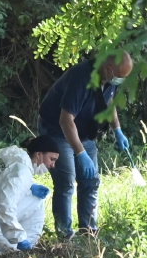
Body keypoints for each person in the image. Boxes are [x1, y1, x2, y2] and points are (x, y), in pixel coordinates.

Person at [38, 51, 133, 239]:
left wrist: (117, 130)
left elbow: (109, 101)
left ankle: (89, 231)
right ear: (108, 69)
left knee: (90, 181)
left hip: (83, 130)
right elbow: (65, 121)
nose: (121, 81)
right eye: (120, 77)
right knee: (66, 182)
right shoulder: (80, 79)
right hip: (56, 130)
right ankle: (65, 235)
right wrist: (80, 153)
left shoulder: (108, 79)